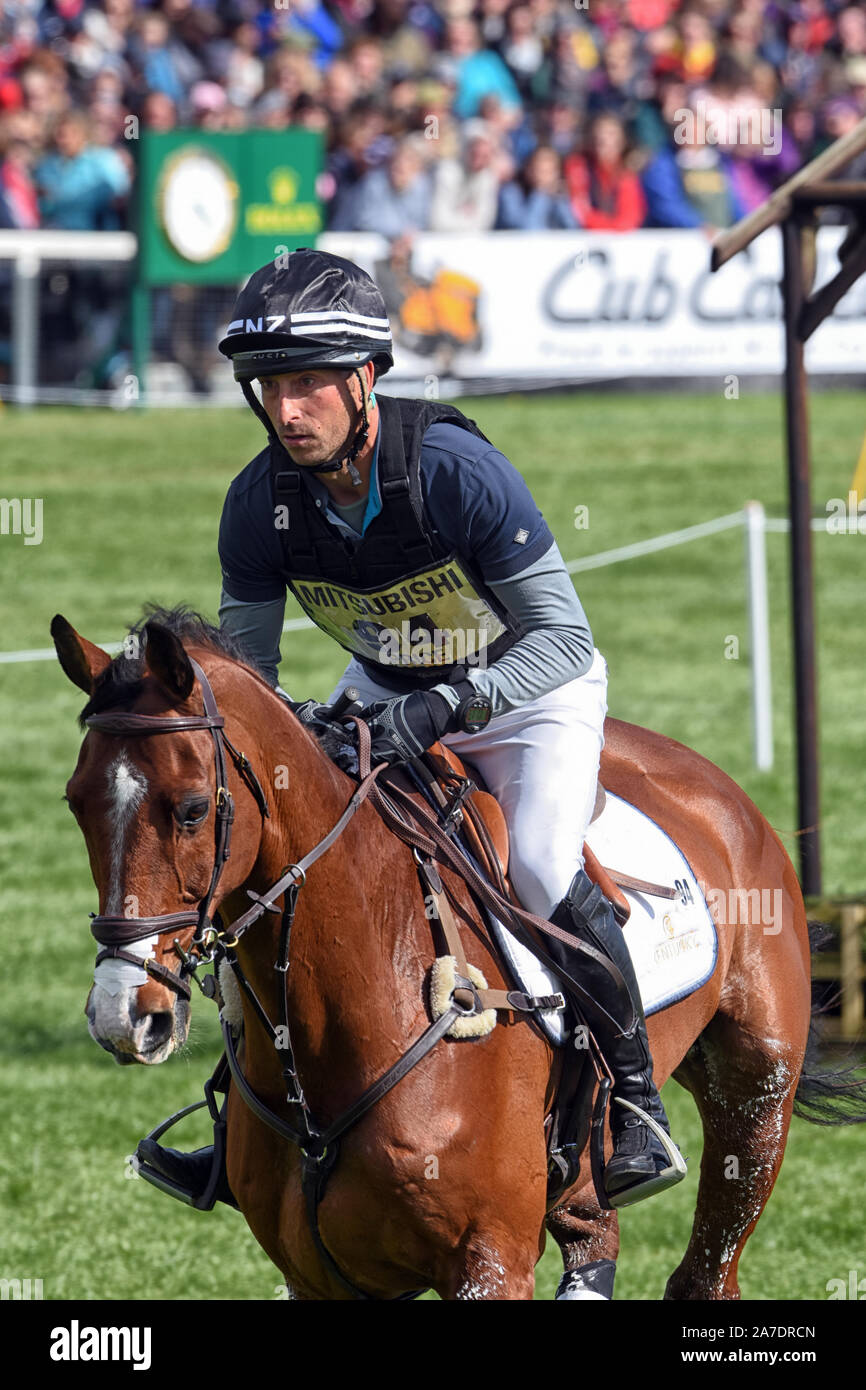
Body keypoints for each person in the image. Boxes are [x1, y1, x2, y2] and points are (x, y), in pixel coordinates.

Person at [140, 249, 685, 1212]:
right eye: (269, 388)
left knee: (543, 868)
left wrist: (446, 707)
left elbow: (564, 639)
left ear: (365, 380)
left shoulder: (455, 471)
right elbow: (249, 684)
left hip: (527, 694)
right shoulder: (256, 506)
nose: (286, 410)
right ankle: (232, 1126)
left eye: (308, 384)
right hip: (386, 687)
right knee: (273, 875)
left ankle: (634, 1104)